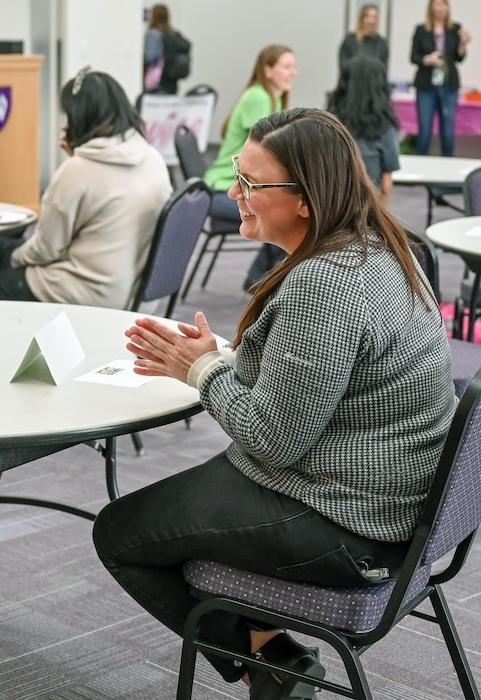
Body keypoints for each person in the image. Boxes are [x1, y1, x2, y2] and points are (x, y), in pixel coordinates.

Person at [94, 108, 455, 699]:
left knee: (122, 535)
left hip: (348, 518)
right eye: (239, 173)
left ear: (307, 200)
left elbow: (272, 436)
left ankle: (271, 663)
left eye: (252, 184)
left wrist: (203, 369)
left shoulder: (326, 283)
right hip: (388, 494)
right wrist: (228, 359)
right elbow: (326, 378)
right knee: (170, 522)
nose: (234, 192)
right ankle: (269, 648)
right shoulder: (382, 247)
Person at [0, 69, 171, 309]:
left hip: (91, 294)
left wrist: (13, 258)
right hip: (138, 294)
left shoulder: (78, 171)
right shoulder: (152, 158)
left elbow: (46, 249)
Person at [204, 44, 296, 291]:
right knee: (283, 212)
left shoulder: (268, 97)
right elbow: (267, 155)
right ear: (267, 71)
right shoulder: (259, 97)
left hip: (231, 185)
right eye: (286, 66)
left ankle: (262, 281)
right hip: (222, 188)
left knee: (282, 207)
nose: (293, 72)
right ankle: (263, 283)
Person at [330, 55, 400, 200]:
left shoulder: (329, 122)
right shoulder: (385, 126)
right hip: (366, 206)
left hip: (329, 204)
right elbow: (386, 184)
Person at [411, 0, 472, 157]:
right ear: (431, 7)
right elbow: (413, 57)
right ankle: (421, 169)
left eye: (443, 4)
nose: (440, 8)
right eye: (437, 4)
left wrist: (463, 44)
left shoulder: (455, 29)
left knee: (448, 132)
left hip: (448, 86)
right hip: (426, 87)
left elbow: (459, 58)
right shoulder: (421, 30)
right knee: (424, 131)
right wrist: (428, 59)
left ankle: (448, 172)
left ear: (448, 7)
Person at [143, 3, 192, 95]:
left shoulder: (153, 34)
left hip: (157, 81)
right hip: (172, 82)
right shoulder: (172, 33)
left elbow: (151, 58)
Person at [338, 3, 389, 70]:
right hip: (353, 80)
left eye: (374, 17)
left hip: (374, 80)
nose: (371, 21)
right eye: (368, 17)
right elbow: (344, 66)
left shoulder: (381, 43)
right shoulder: (349, 41)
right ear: (362, 19)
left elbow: (382, 69)